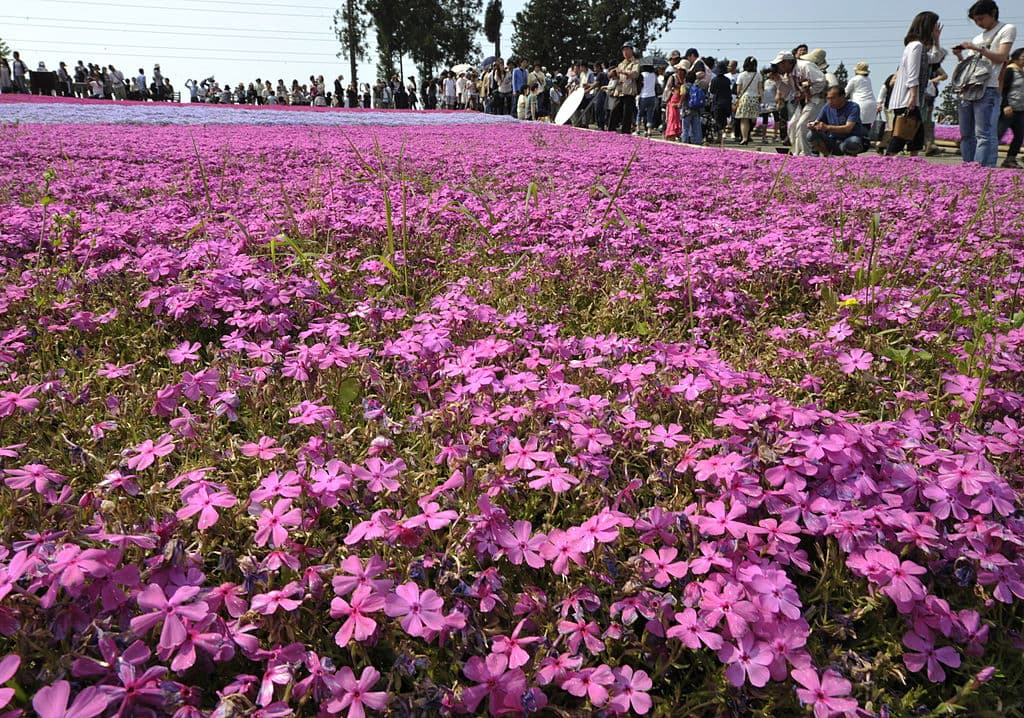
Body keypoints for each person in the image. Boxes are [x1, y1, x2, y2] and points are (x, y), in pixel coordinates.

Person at [954, 0, 1016, 167]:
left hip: (988, 87)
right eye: (975, 20)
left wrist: (977, 49)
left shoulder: (1006, 29)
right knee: (966, 134)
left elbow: (1002, 57)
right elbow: (970, 66)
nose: (978, 23)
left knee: (983, 133)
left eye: (981, 18)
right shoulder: (977, 37)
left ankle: (981, 169)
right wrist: (960, 56)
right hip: (969, 88)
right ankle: (967, 167)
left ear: (993, 13)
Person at [886, 11, 942, 157]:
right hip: (906, 98)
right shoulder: (916, 46)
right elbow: (912, 73)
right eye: (935, 25)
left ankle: (912, 163)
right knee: (903, 133)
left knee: (915, 134)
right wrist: (913, 96)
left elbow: (935, 58)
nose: (937, 28)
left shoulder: (919, 47)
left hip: (910, 98)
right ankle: (888, 160)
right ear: (927, 26)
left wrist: (937, 40)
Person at [771, 50, 828, 156]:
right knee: (792, 125)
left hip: (815, 99)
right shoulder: (789, 74)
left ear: (788, 62)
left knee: (802, 125)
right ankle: (796, 152)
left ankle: (806, 154)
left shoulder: (805, 66)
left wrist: (808, 92)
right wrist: (778, 80)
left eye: (781, 64)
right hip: (803, 102)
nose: (779, 67)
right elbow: (788, 92)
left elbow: (821, 81)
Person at [808, 86, 871, 156]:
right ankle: (828, 157)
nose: (830, 101)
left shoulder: (853, 107)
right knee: (811, 135)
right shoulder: (826, 107)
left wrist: (827, 127)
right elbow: (817, 122)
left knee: (853, 142)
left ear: (842, 97)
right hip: (832, 141)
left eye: (833, 98)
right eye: (828, 98)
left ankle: (851, 160)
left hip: (848, 140)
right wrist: (813, 125)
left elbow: (848, 128)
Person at [999, 48, 1024, 167]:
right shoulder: (1010, 71)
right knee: (998, 134)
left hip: (1020, 110)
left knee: (1019, 135)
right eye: (1023, 57)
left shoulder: (1021, 72)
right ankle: (985, 157)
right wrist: (1005, 105)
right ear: (1016, 58)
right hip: (1008, 109)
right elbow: (1003, 89)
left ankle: (1010, 159)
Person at [921, 46, 949, 155]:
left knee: (926, 120)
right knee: (925, 121)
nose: (942, 60)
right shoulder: (931, 64)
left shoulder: (934, 65)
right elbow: (944, 75)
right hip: (924, 97)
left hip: (929, 97)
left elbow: (944, 76)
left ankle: (929, 144)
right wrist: (931, 81)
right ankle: (929, 144)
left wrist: (931, 81)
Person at [609, 41, 640, 134]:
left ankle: (625, 133)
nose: (625, 52)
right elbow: (616, 76)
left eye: (627, 50)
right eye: (624, 50)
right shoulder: (621, 64)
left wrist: (624, 72)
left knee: (627, 113)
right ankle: (611, 130)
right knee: (614, 110)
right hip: (620, 90)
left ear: (631, 51)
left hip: (629, 91)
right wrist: (613, 74)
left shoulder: (635, 63)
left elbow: (635, 74)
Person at [733, 56, 763, 144]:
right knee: (753, 119)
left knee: (744, 120)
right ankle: (749, 135)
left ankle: (744, 138)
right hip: (755, 98)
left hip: (745, 98)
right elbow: (760, 88)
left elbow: (738, 90)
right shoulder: (758, 75)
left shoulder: (741, 75)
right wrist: (761, 98)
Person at [845, 62, 877, 127]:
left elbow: (845, 93)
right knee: (867, 127)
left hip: (860, 104)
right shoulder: (868, 79)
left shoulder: (854, 79)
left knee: (857, 127)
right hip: (872, 104)